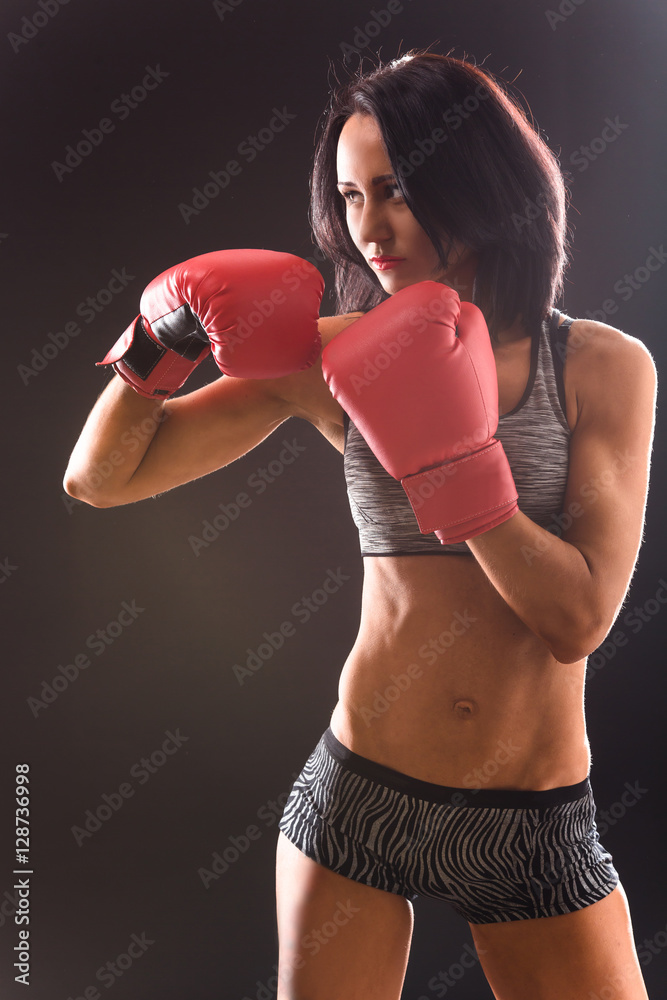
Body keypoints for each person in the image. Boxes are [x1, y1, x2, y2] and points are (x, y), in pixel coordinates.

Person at [64, 50, 656, 1000]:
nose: (367, 228)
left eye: (396, 189)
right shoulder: (340, 356)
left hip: (532, 820)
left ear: (474, 178)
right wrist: (159, 339)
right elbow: (98, 480)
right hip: (360, 797)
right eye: (347, 196)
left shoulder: (598, 366)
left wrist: (456, 470)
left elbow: (577, 619)